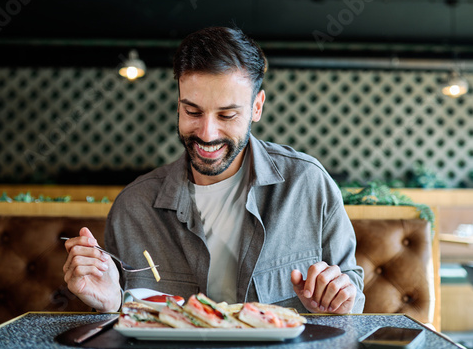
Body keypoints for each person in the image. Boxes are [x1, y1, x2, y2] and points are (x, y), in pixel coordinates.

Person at [63, 26, 365, 315]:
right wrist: (111, 304)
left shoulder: (308, 184)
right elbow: (122, 328)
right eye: (192, 111)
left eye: (227, 114)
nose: (207, 134)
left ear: (256, 107)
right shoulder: (133, 207)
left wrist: (339, 300)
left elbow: (351, 291)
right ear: (179, 105)